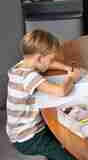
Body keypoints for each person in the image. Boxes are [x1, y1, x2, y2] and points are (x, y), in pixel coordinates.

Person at [6, 29, 80, 160]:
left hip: (20, 132)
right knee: (67, 154)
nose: (51, 62)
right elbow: (61, 91)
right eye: (50, 58)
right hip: (28, 138)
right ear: (39, 58)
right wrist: (71, 78)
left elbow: (49, 64)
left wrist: (66, 68)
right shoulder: (29, 76)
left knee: (65, 136)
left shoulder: (20, 66)